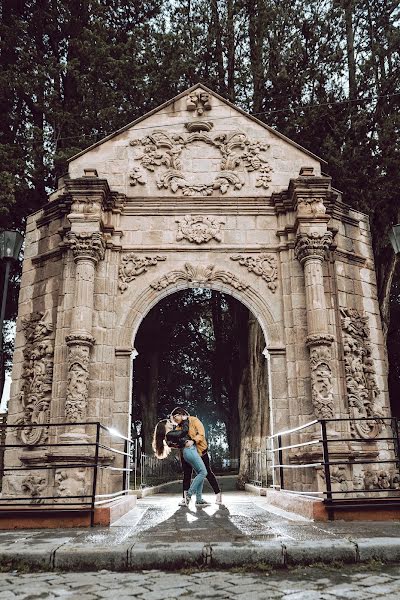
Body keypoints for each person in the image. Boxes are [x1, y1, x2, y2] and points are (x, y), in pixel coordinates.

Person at [170, 407, 222, 506]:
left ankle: (218, 494)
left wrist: (193, 440)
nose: (175, 419)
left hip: (201, 452)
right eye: (173, 418)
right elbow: (178, 442)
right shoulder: (178, 428)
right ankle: (186, 498)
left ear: (182, 414)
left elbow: (201, 435)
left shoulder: (194, 420)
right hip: (188, 453)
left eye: (176, 416)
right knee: (187, 474)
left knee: (207, 473)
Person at [152, 418, 208, 507]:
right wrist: (185, 420)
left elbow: (178, 442)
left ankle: (199, 499)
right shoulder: (170, 434)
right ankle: (188, 496)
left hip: (188, 451)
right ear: (165, 426)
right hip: (190, 451)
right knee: (203, 472)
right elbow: (184, 431)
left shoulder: (169, 437)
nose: (171, 423)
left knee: (199, 473)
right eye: (169, 422)